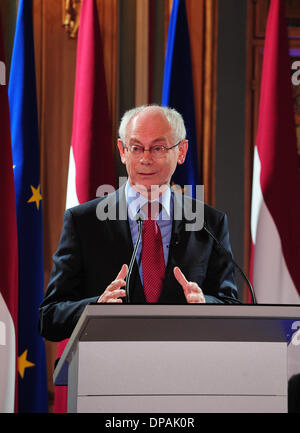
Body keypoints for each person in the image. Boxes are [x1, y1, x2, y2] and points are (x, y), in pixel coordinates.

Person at [39, 105, 240, 342]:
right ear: (123, 151)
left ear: (181, 151)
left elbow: (230, 306)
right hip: (109, 370)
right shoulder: (84, 223)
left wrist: (204, 303)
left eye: (158, 148)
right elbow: (49, 318)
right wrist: (96, 307)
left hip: (186, 369)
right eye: (136, 148)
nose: (145, 159)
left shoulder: (210, 223)